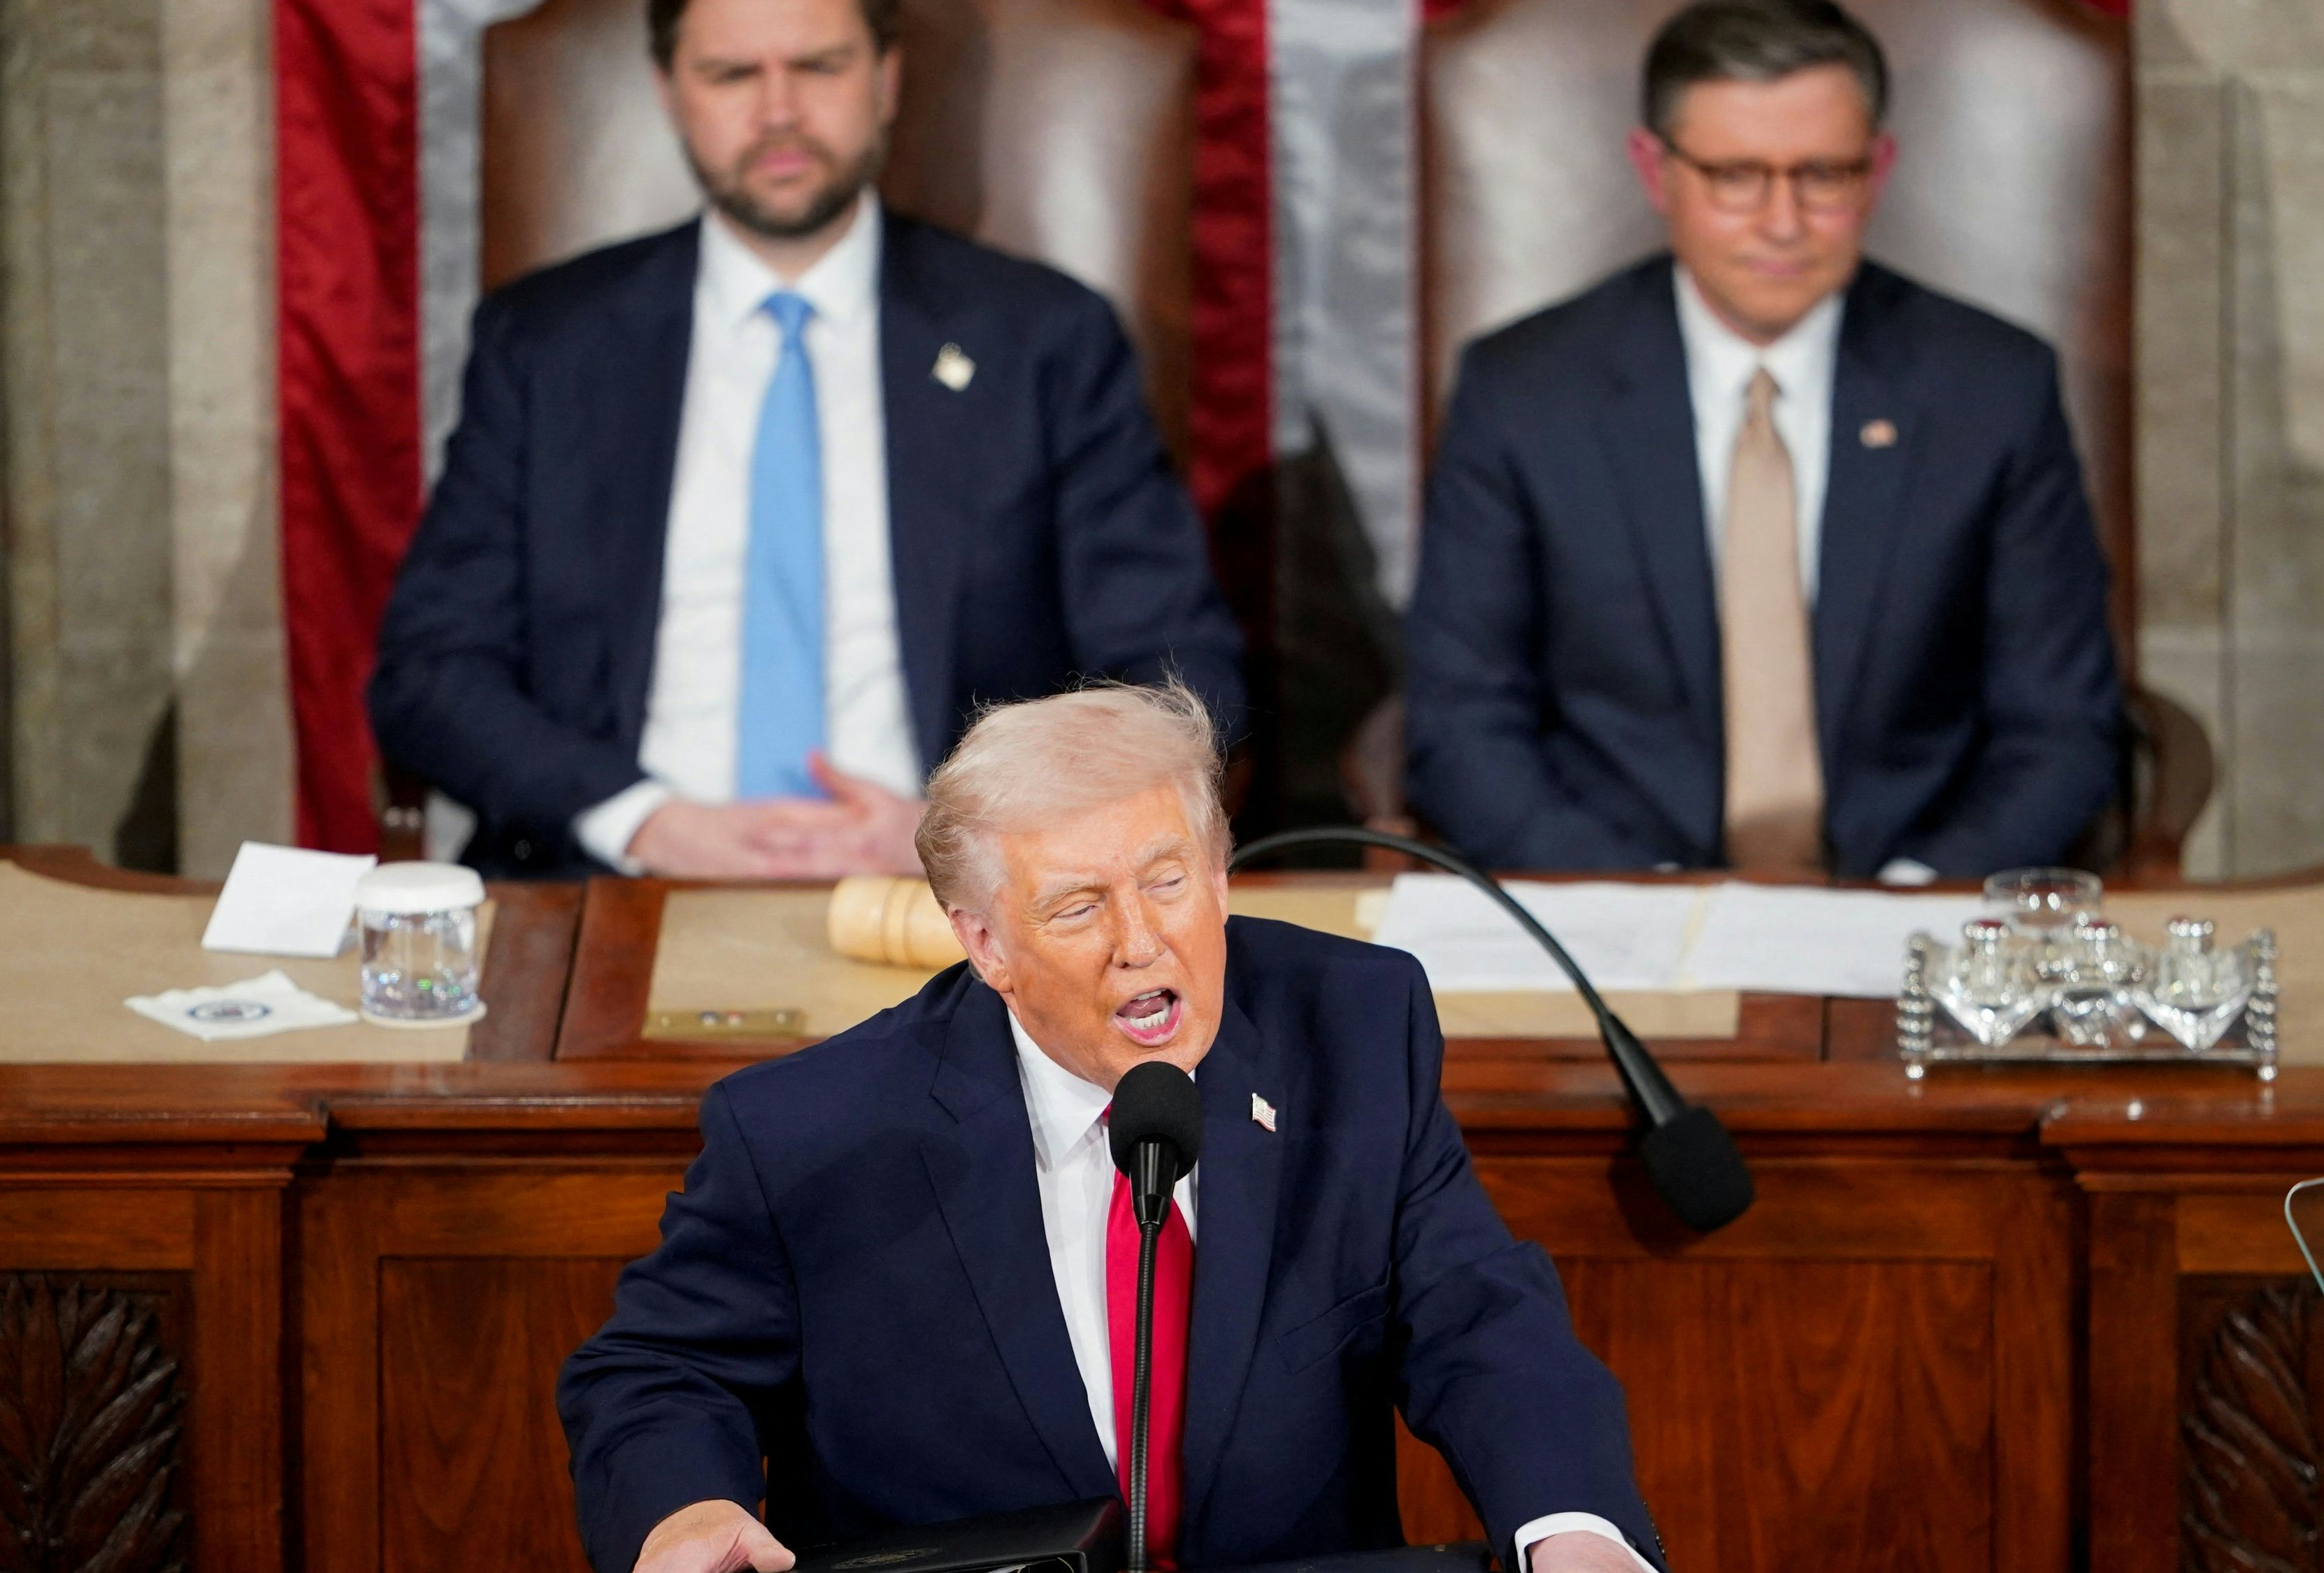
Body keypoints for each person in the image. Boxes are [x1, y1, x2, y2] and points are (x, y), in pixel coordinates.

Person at [557, 682, 1660, 1573]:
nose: (1142, 942)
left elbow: (1481, 1318)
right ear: (984, 942)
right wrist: (682, 1513)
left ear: (1222, 876)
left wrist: (1574, 1529)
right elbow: (654, 1368)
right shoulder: (812, 1129)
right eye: (1078, 906)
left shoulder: (1356, 1032)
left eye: (1169, 881)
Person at [369, 0, 1244, 882]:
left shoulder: (1043, 340)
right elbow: (432, 672)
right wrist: (644, 821)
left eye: (819, 67)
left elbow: (1176, 675)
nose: (778, 111)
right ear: (669, 92)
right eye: (732, 75)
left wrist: (972, 827)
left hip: (956, 902)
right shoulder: (548, 346)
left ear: (886, 79)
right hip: (616, 889)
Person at [1403, 0, 2124, 880]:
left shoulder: (1991, 389)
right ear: (1655, 171)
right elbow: (1463, 723)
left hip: (1911, 905)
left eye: (1822, 174)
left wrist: (1922, 896)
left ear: (1877, 172)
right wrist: (1636, 899)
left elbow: (2059, 726)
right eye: (1736, 176)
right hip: (1619, 914)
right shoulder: (1522, 393)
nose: (1782, 222)